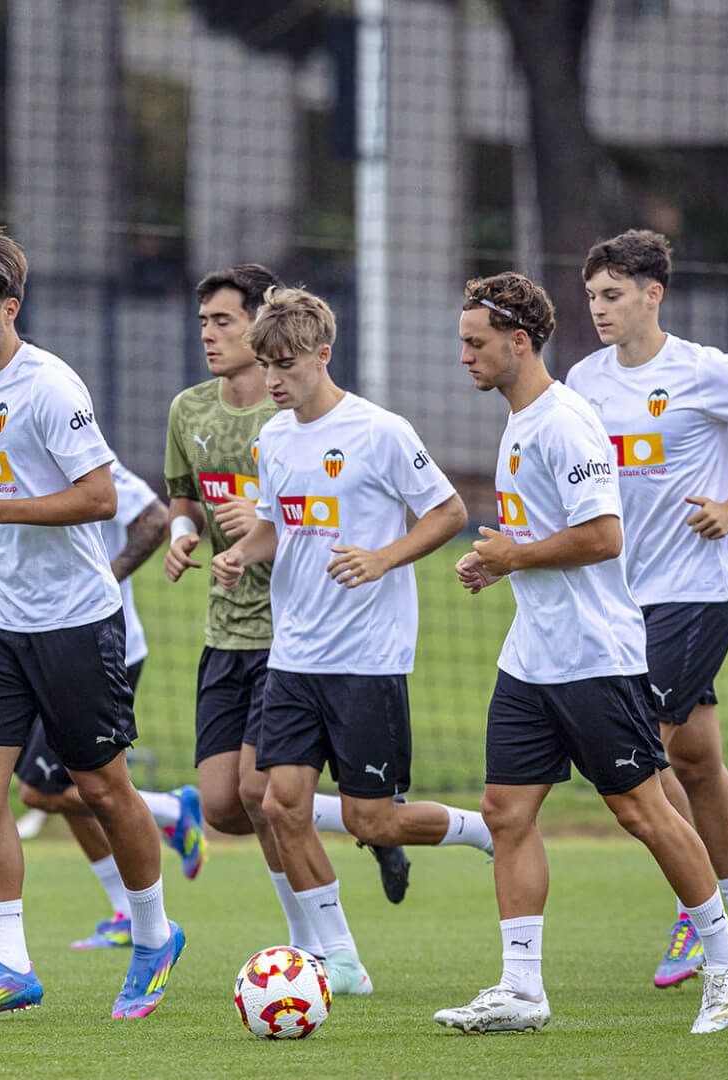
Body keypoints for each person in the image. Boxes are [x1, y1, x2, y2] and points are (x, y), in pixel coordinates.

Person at [434, 272, 728, 1034]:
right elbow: (544, 537)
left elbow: (604, 536)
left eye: (475, 344)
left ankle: (726, 951)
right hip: (531, 658)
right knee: (505, 811)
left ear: (518, 342)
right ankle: (521, 990)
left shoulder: (564, 422)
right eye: (461, 345)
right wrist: (499, 560)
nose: (464, 358)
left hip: (594, 656)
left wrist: (516, 556)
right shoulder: (520, 421)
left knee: (642, 810)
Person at [0, 226, 184, 1020]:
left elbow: (100, 498)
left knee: (103, 789)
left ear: (11, 308)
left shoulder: (52, 387)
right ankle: (9, 966)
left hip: (76, 619)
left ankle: (153, 937)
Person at [209, 288, 490, 995]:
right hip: (294, 654)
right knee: (279, 806)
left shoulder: (379, 431)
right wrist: (243, 551)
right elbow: (278, 524)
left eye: (287, 364)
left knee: (374, 820)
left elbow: (450, 512)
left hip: (367, 658)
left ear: (323, 355)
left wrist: (383, 558)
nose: (273, 379)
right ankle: (340, 959)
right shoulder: (273, 437)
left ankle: (479, 828)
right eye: (264, 364)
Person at [565, 230, 728, 985]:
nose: (598, 308)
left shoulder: (705, 371)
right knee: (695, 759)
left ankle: (706, 922)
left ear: (652, 295)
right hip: (619, 605)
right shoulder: (584, 380)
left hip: (694, 597)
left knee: (636, 762)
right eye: (592, 295)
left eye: (612, 295)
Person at [163, 265, 412, 947]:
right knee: (224, 805)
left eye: (223, 320)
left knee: (263, 794)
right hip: (226, 630)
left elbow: (304, 515)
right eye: (203, 322)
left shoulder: (303, 413)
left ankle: (318, 944)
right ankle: (365, 827)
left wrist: (262, 526)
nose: (210, 335)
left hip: (294, 635)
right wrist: (190, 538)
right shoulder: (190, 411)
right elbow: (184, 504)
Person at [0, 457, 205, 952]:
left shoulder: (84, 454)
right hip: (21, 635)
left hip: (93, 641)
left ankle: (169, 813)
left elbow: (154, 519)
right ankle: (119, 909)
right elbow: (5, 527)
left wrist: (102, 580)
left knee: (49, 791)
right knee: (40, 787)